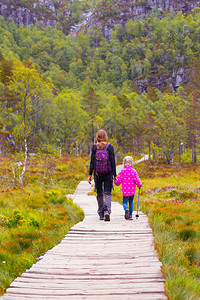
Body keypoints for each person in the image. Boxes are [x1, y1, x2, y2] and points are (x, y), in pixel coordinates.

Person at [88, 129, 117, 221]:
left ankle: (101, 213)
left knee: (99, 192)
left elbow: (92, 162)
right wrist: (115, 175)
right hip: (108, 173)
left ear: (97, 137)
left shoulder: (94, 147)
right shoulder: (110, 147)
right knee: (107, 192)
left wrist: (90, 175)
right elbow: (113, 162)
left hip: (97, 174)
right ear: (106, 137)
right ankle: (107, 211)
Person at [114, 156, 142, 220]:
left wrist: (115, 181)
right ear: (131, 163)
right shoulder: (134, 171)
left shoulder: (122, 171)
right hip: (132, 190)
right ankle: (130, 216)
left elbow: (119, 181)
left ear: (124, 163)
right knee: (131, 202)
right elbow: (136, 179)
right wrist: (139, 184)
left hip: (125, 190)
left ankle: (126, 208)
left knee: (124, 202)